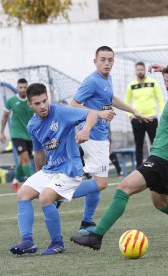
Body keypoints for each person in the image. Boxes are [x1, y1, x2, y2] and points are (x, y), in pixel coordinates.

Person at [70, 61, 168, 250]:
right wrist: (164, 69)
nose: (167, 85)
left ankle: (96, 236)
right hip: (163, 161)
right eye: (165, 81)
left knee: (123, 188)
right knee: (161, 203)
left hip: (162, 161)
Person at [9, 83, 99, 256]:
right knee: (22, 194)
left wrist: (86, 129)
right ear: (30, 104)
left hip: (69, 169)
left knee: (45, 198)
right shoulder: (32, 126)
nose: (43, 106)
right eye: (37, 103)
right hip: (51, 170)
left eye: (44, 101)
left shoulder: (61, 112)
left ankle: (57, 243)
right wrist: (38, 175)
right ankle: (27, 241)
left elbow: (92, 113)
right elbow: (39, 152)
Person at [69, 46, 148, 234]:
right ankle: (59, 195)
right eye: (102, 59)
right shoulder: (92, 81)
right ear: (95, 61)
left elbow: (110, 98)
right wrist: (99, 114)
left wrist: (133, 110)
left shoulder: (107, 78)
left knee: (97, 182)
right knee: (101, 183)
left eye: (110, 60)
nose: (106, 63)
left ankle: (87, 222)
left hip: (101, 136)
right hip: (92, 135)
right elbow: (73, 104)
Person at [125, 61, 165, 168]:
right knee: (139, 145)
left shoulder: (153, 83)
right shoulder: (131, 85)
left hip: (151, 118)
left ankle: (158, 165)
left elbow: (160, 99)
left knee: (155, 144)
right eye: (138, 70)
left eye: (142, 69)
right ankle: (139, 167)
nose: (140, 71)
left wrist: (163, 114)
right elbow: (126, 102)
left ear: (145, 70)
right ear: (135, 71)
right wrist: (130, 115)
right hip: (137, 120)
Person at [0, 78, 35, 192]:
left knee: (23, 160)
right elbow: (5, 116)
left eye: (25, 87)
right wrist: (1, 132)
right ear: (17, 88)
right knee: (25, 158)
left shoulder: (32, 101)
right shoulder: (11, 101)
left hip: (29, 135)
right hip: (17, 134)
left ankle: (15, 181)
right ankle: (33, 183)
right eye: (20, 87)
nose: (23, 89)